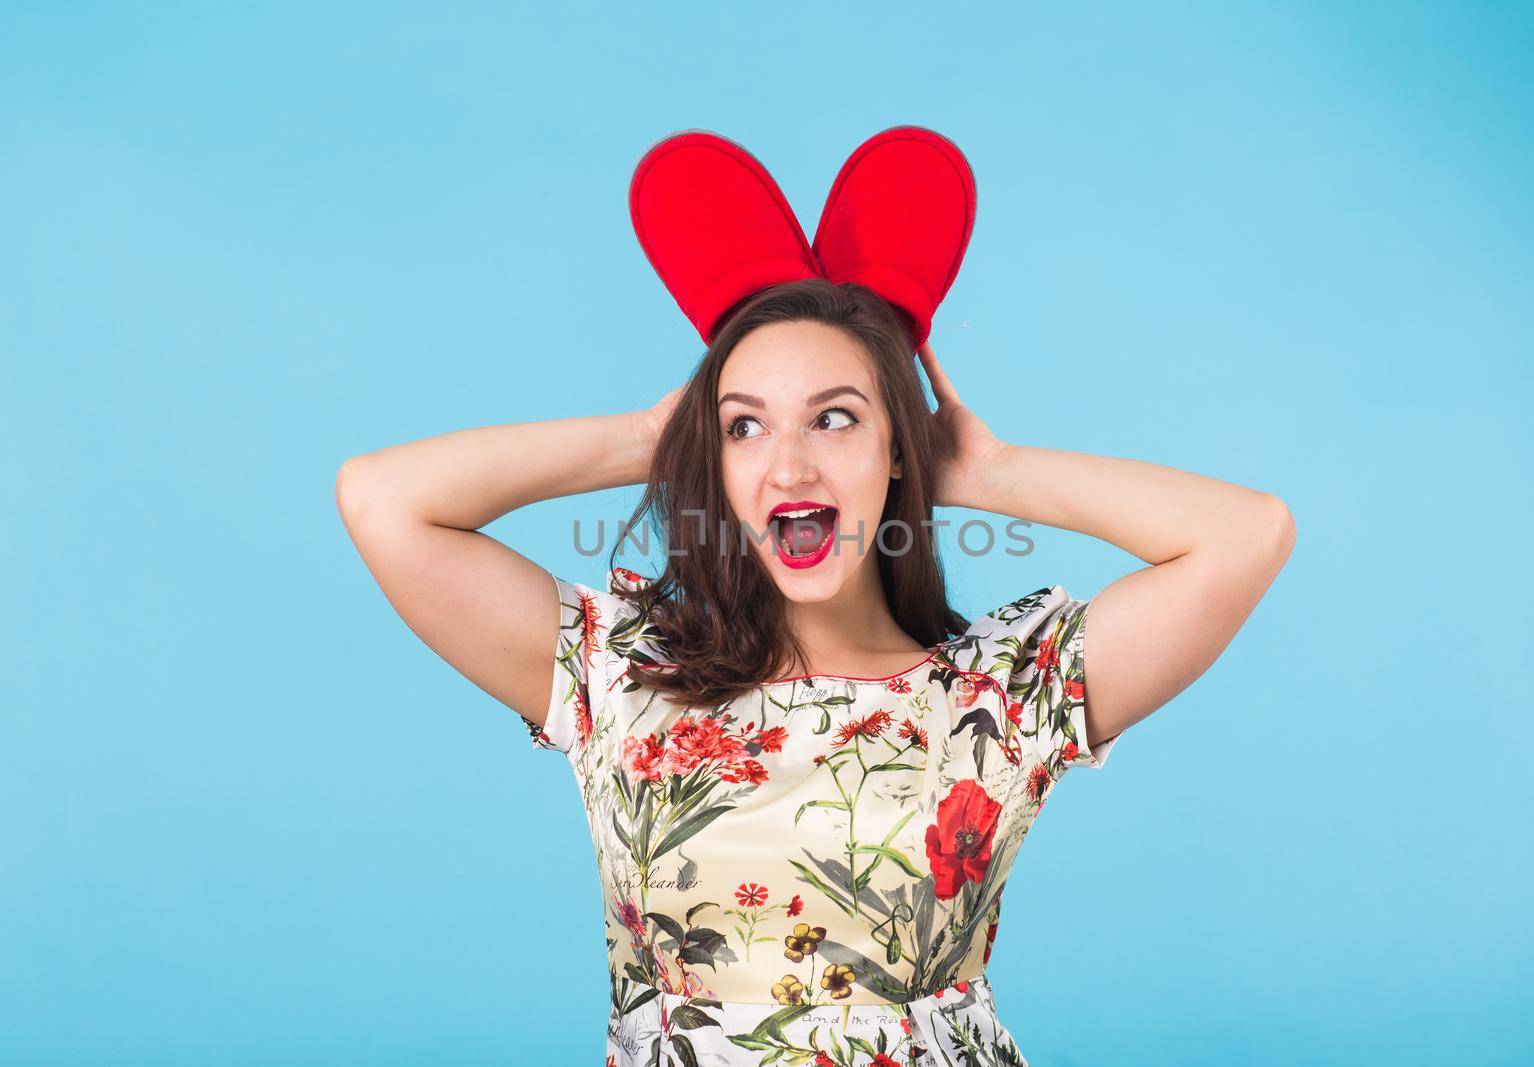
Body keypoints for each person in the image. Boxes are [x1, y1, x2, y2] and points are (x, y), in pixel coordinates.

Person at [336, 131, 1294, 1065]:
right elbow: (383, 501)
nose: (788, 462)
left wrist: (992, 469)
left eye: (836, 418)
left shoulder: (1002, 695)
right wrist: (659, 436)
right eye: (746, 427)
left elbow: (1247, 535)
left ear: (896, 450)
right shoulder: (618, 672)